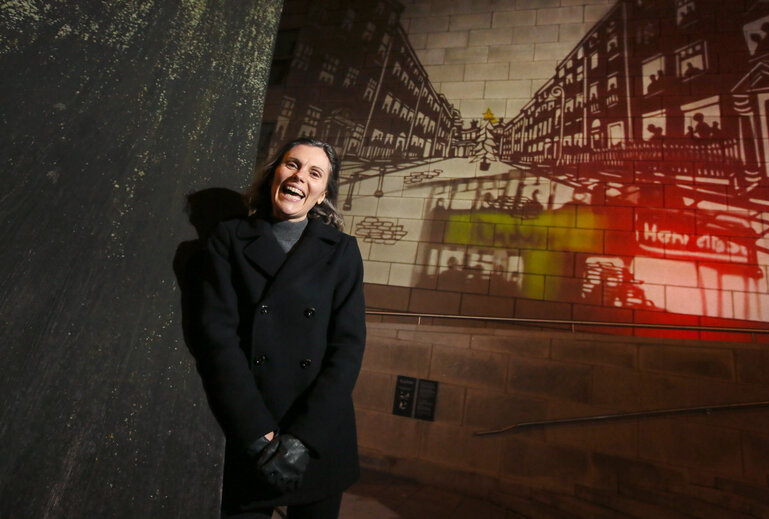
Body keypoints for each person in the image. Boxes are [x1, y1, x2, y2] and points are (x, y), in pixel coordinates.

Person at [193, 137, 366, 518]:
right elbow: (217, 339)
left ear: (321, 195)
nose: (300, 176)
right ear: (275, 174)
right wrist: (257, 434)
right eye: (292, 164)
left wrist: (303, 439)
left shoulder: (342, 251)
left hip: (319, 434)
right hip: (251, 428)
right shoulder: (230, 239)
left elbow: (347, 350)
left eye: (314, 172)